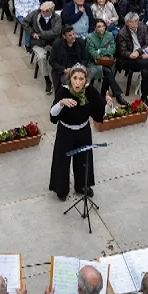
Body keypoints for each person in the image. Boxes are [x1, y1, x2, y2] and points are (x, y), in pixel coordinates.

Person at [48, 66, 106, 201]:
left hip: (83, 131)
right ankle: (61, 189)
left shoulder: (90, 91)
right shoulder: (63, 91)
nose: (78, 82)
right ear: (70, 79)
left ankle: (82, 186)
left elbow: (100, 109)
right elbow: (52, 114)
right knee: (62, 161)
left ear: (85, 80)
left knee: (83, 160)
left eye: (81, 79)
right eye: (75, 78)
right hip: (65, 132)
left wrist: (108, 105)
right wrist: (61, 103)